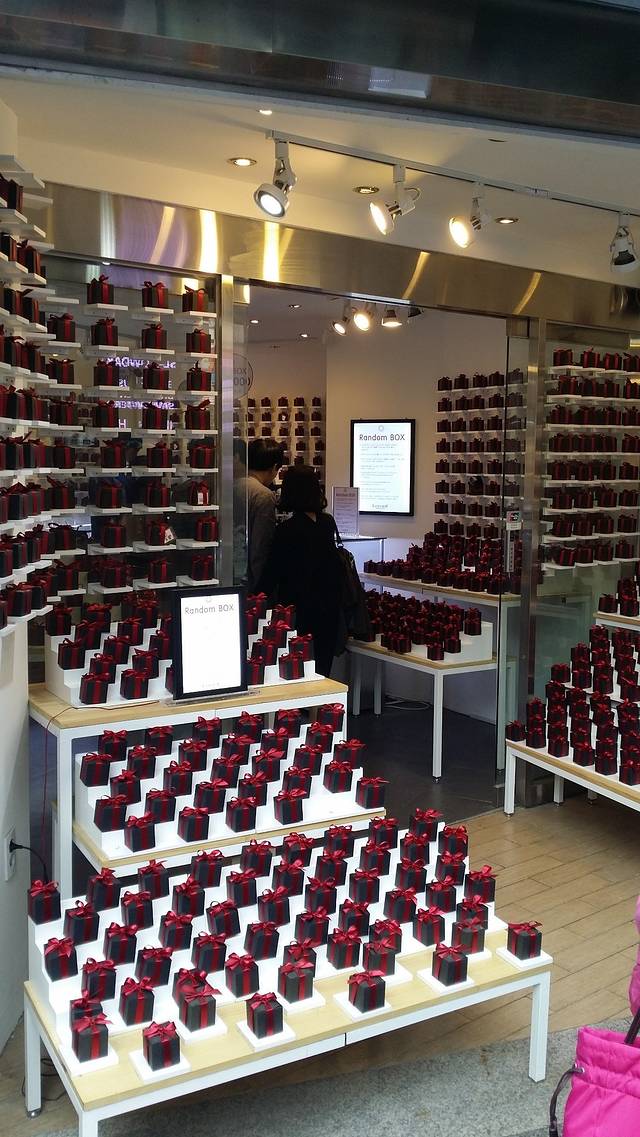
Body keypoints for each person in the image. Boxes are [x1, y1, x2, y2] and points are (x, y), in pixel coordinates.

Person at [262, 464, 342, 677]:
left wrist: (255, 597)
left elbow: (272, 571)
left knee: (297, 668)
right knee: (322, 669)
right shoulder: (327, 523)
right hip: (328, 607)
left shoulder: (287, 530)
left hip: (298, 609)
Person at [241, 437, 284, 593]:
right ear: (274, 467)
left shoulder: (232, 485)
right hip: (248, 577)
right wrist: (262, 588)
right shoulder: (263, 495)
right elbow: (260, 544)